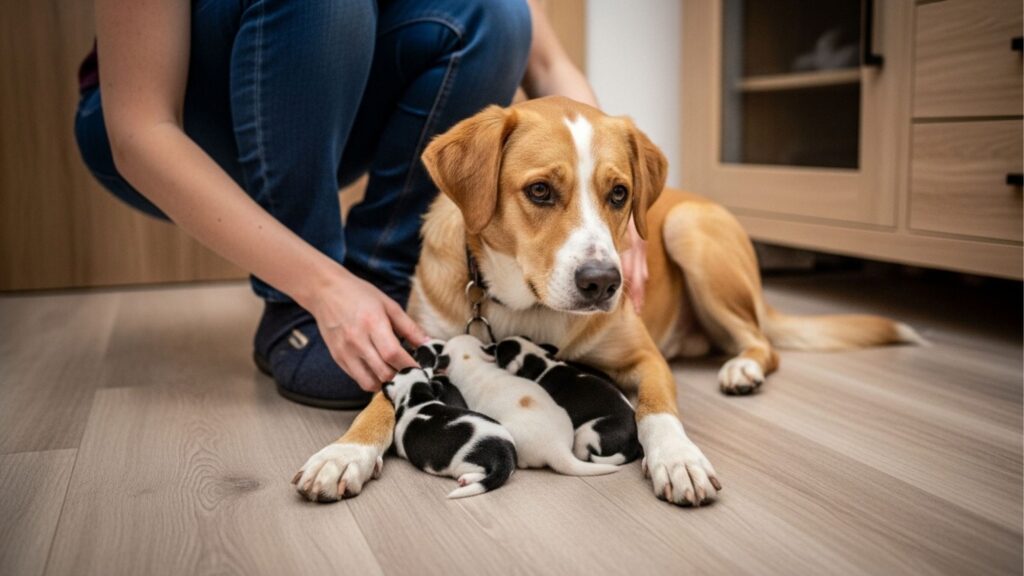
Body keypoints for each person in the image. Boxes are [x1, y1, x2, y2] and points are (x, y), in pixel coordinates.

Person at [75, 0, 648, 409]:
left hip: (334, 94)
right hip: (170, 121)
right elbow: (139, 131)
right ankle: (298, 305)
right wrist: (321, 286)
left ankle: (382, 277)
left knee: (495, 13)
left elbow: (547, 63)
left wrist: (609, 210)